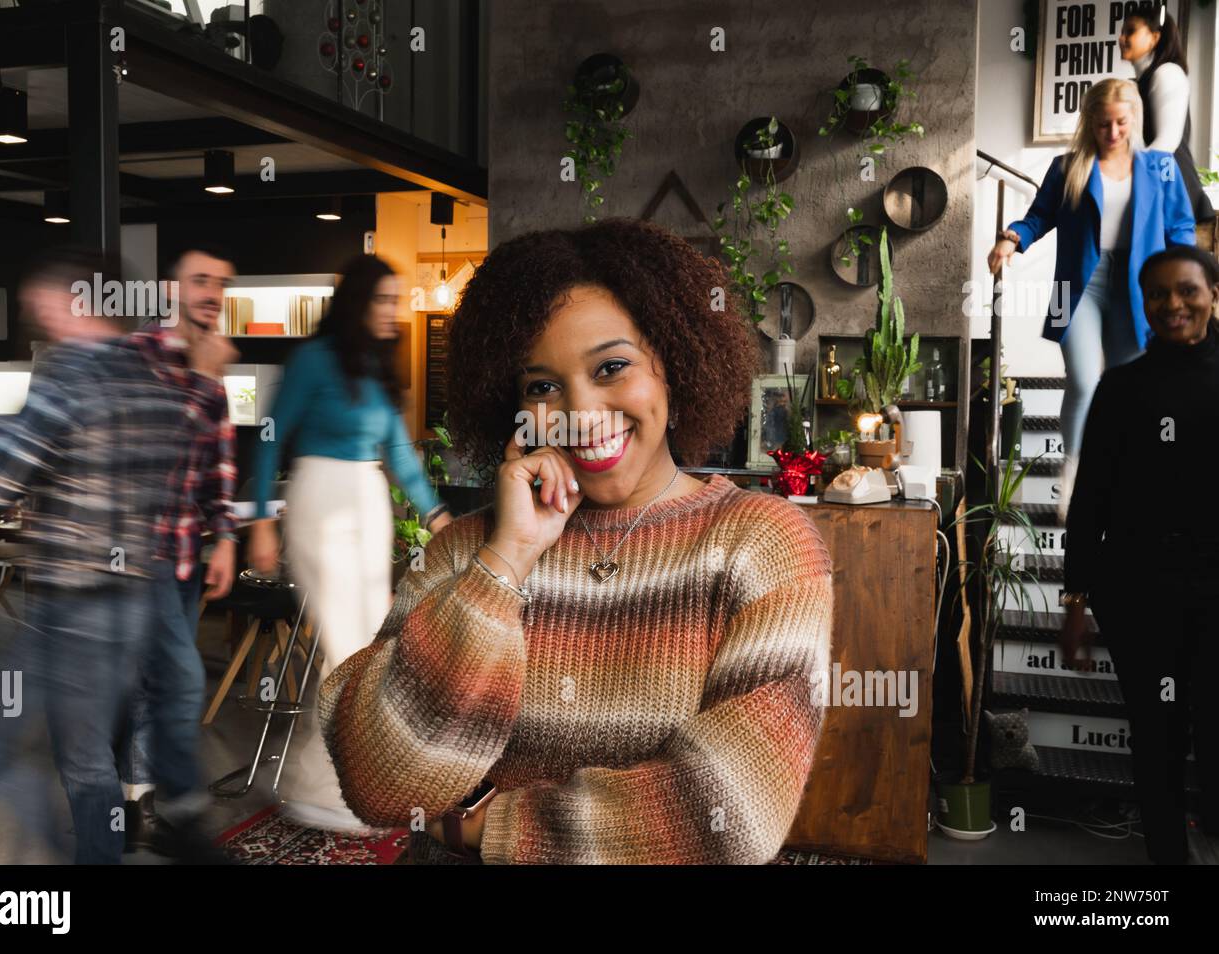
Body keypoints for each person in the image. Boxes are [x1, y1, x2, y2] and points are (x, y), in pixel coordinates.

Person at [317, 219, 833, 864]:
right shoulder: (468, 553)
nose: (580, 412)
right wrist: (507, 562)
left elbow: (726, 814)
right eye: (542, 386)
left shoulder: (762, 544)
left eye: (612, 367)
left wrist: (480, 826)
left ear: (671, 365)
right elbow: (380, 780)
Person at [0, 247, 218, 863]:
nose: (41, 318)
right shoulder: (162, 383)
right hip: (135, 597)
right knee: (67, 748)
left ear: (82, 301)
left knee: (39, 754)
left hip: (71, 609)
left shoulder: (67, 380)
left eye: (46, 305)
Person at [248, 254, 451, 832]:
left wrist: (440, 519)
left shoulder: (379, 368)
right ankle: (322, 788)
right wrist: (262, 519)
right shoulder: (314, 361)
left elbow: (402, 457)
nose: (395, 311)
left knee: (371, 649)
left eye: (397, 300)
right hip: (320, 504)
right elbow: (270, 436)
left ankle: (338, 780)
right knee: (347, 652)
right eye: (385, 300)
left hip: (368, 503)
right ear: (359, 302)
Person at [1059, 245, 1219, 865]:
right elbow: (1091, 501)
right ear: (1143, 303)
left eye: (1187, 290)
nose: (1172, 305)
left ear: (1211, 294)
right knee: (1156, 744)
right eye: (1157, 294)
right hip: (1140, 598)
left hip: (1216, 594)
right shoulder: (1121, 389)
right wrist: (1075, 601)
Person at [987, 78, 1195, 519]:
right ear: (1089, 123)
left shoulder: (1160, 167)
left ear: (1135, 119)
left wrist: (1188, 280)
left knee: (1133, 384)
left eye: (1121, 123)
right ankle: (1075, 475)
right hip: (1072, 286)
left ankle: (1129, 474)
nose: (1114, 133)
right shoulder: (1067, 167)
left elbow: (1180, 229)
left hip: (1142, 289)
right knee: (1083, 379)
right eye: (1103, 124)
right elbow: (1039, 216)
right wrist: (1011, 240)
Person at [118, 244, 240, 853]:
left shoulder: (212, 364)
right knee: (184, 676)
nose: (211, 293)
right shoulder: (140, 355)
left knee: (155, 681)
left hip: (188, 553)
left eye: (220, 282)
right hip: (140, 552)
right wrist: (206, 380)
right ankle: (187, 815)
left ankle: (138, 805)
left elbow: (219, 463)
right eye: (199, 280)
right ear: (171, 291)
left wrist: (226, 537)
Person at [1119, 7, 1215, 225]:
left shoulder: (1167, 73)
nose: (1121, 38)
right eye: (1122, 31)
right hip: (1156, 185)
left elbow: (1166, 143)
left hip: (1172, 187)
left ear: (1155, 37)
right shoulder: (1135, 83)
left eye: (1130, 31)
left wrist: (1125, 181)